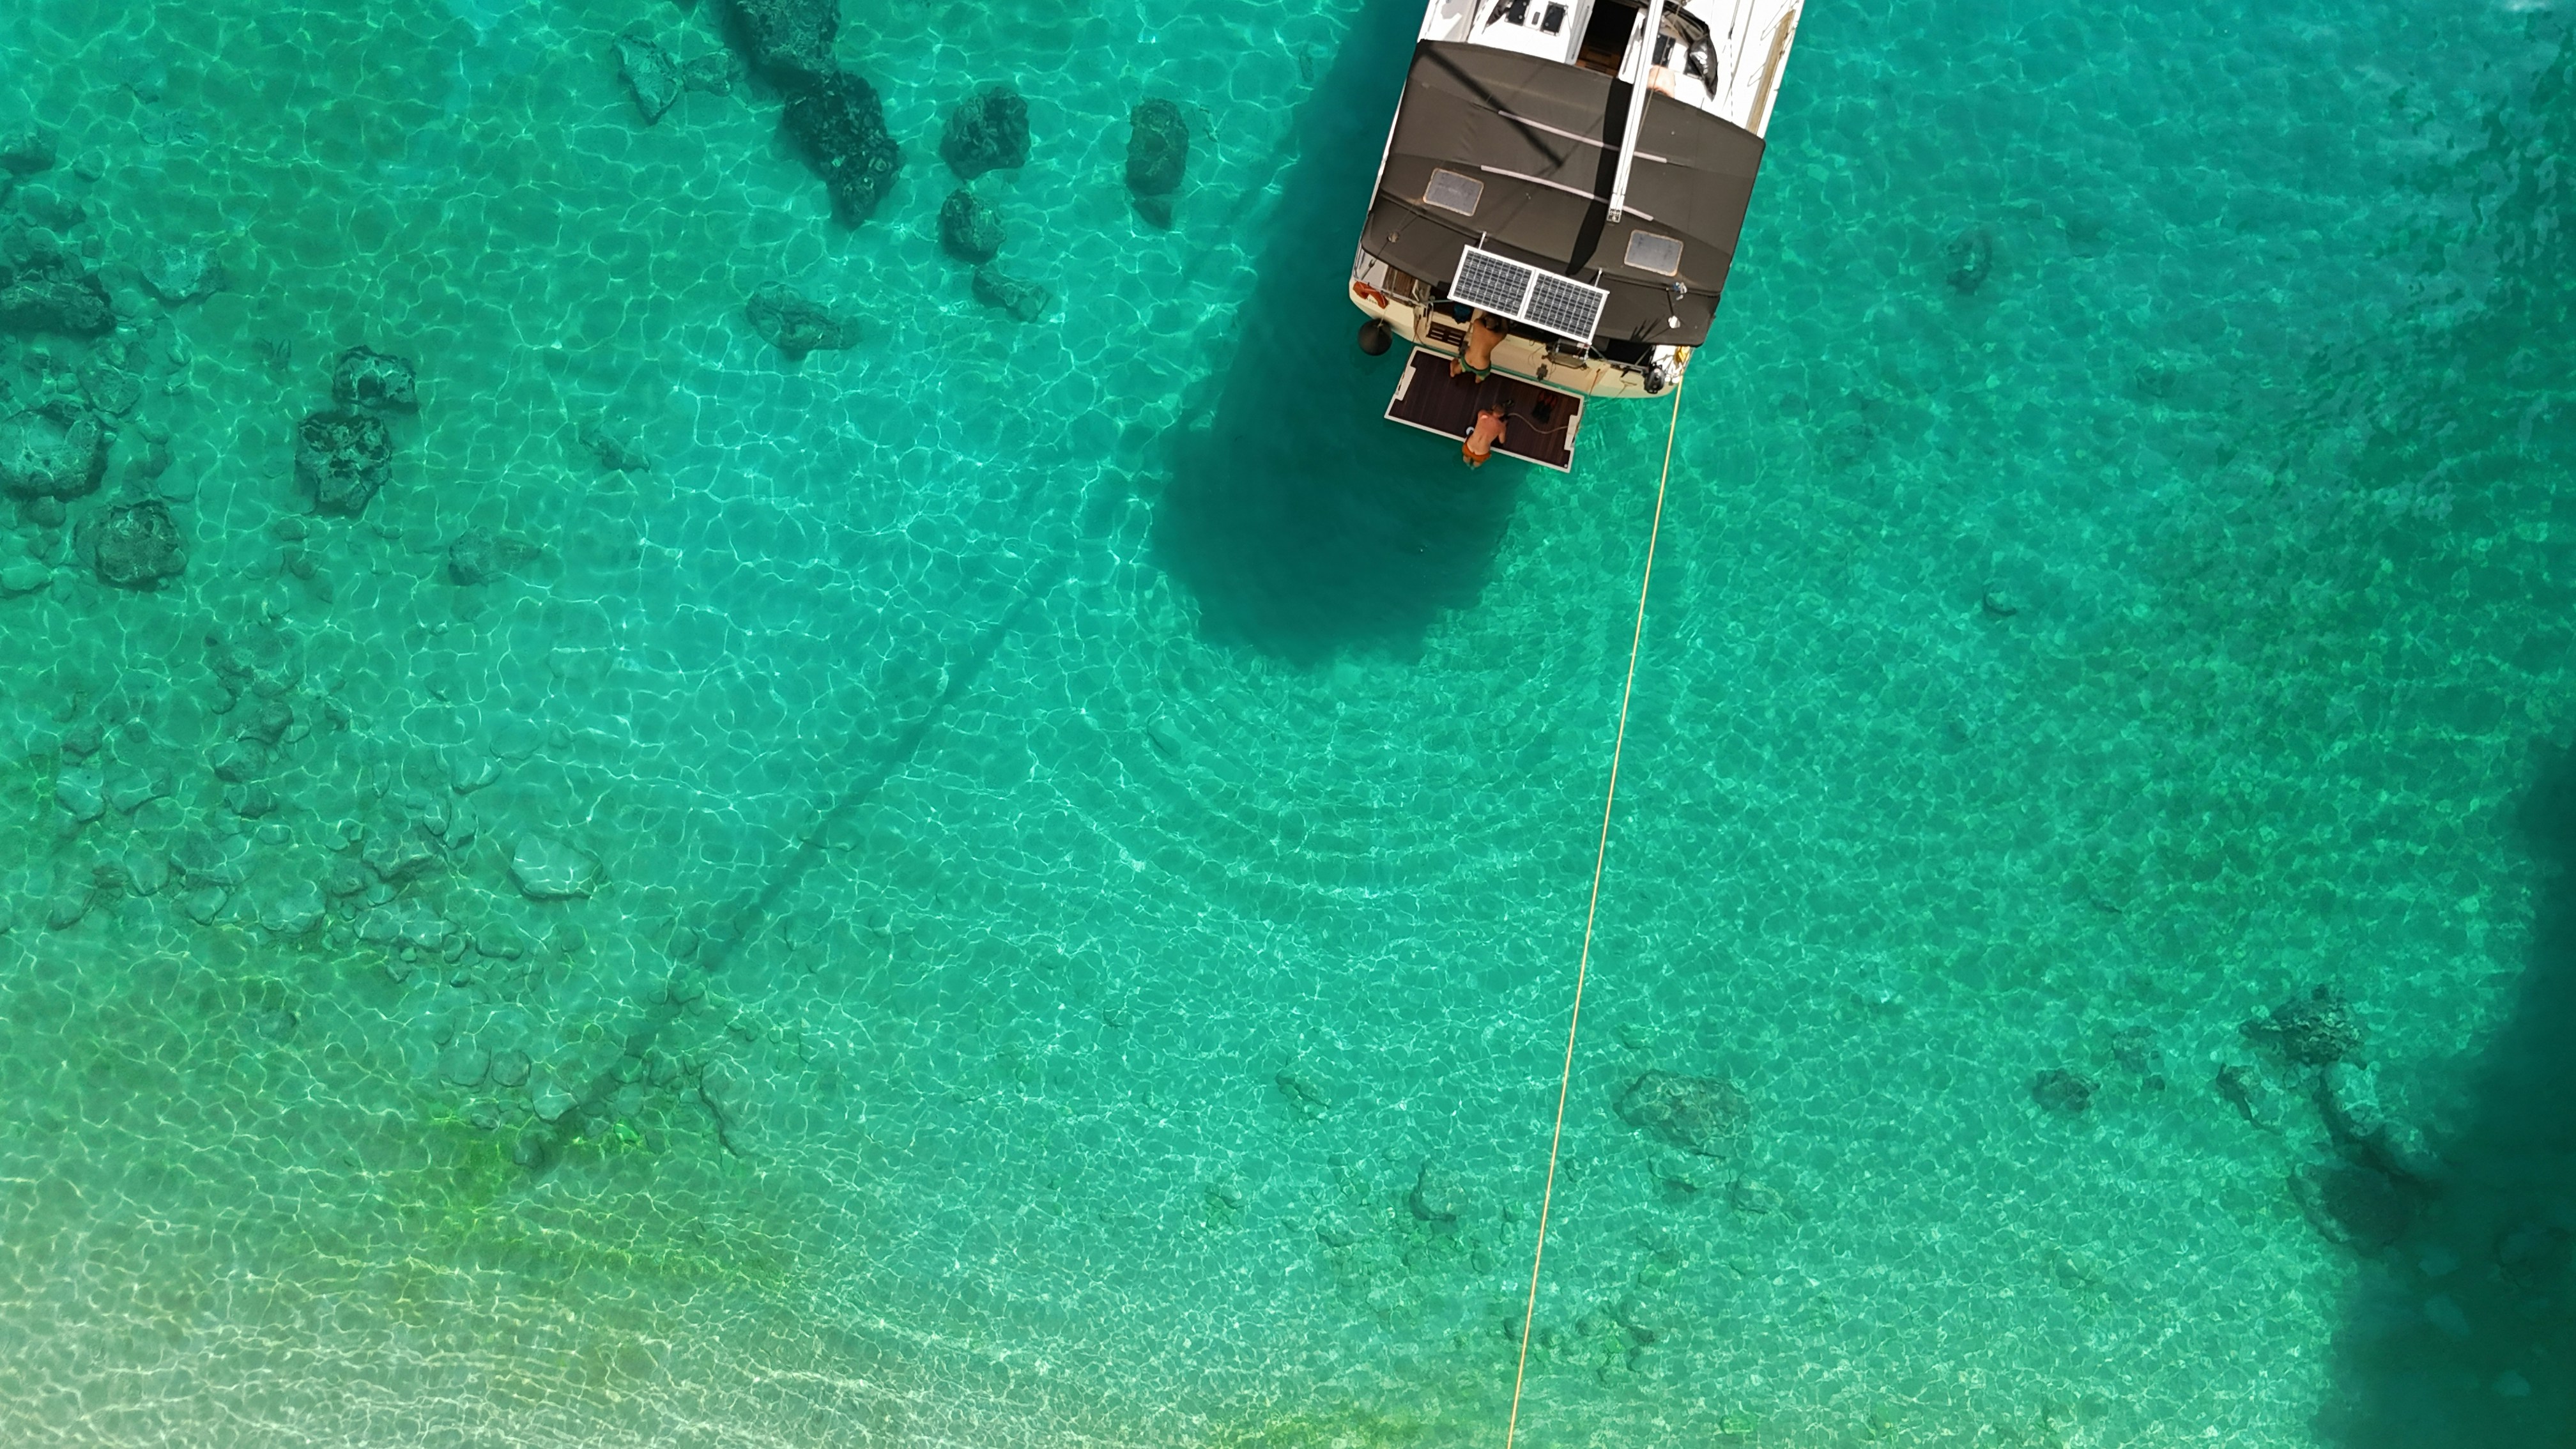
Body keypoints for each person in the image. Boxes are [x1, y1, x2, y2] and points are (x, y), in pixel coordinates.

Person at [1462, 377, 1512, 468]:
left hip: (1469, 446)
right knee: (1478, 463)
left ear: (1493, 408)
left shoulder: (1482, 414)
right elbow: (1502, 441)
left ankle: (1466, 462)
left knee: (1466, 456)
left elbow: (1487, 414)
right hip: (1481, 453)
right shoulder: (1501, 427)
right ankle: (1473, 467)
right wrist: (1504, 425)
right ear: (1502, 415)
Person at [1448, 310, 1507, 379]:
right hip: (1470, 360)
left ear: (1486, 319)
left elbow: (1504, 329)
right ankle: (1475, 379)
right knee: (1477, 379)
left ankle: (1454, 373)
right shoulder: (1495, 337)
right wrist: (1457, 358)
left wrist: (1503, 318)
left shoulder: (1478, 324)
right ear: (1497, 324)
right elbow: (1505, 329)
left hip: (1472, 361)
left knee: (1459, 369)